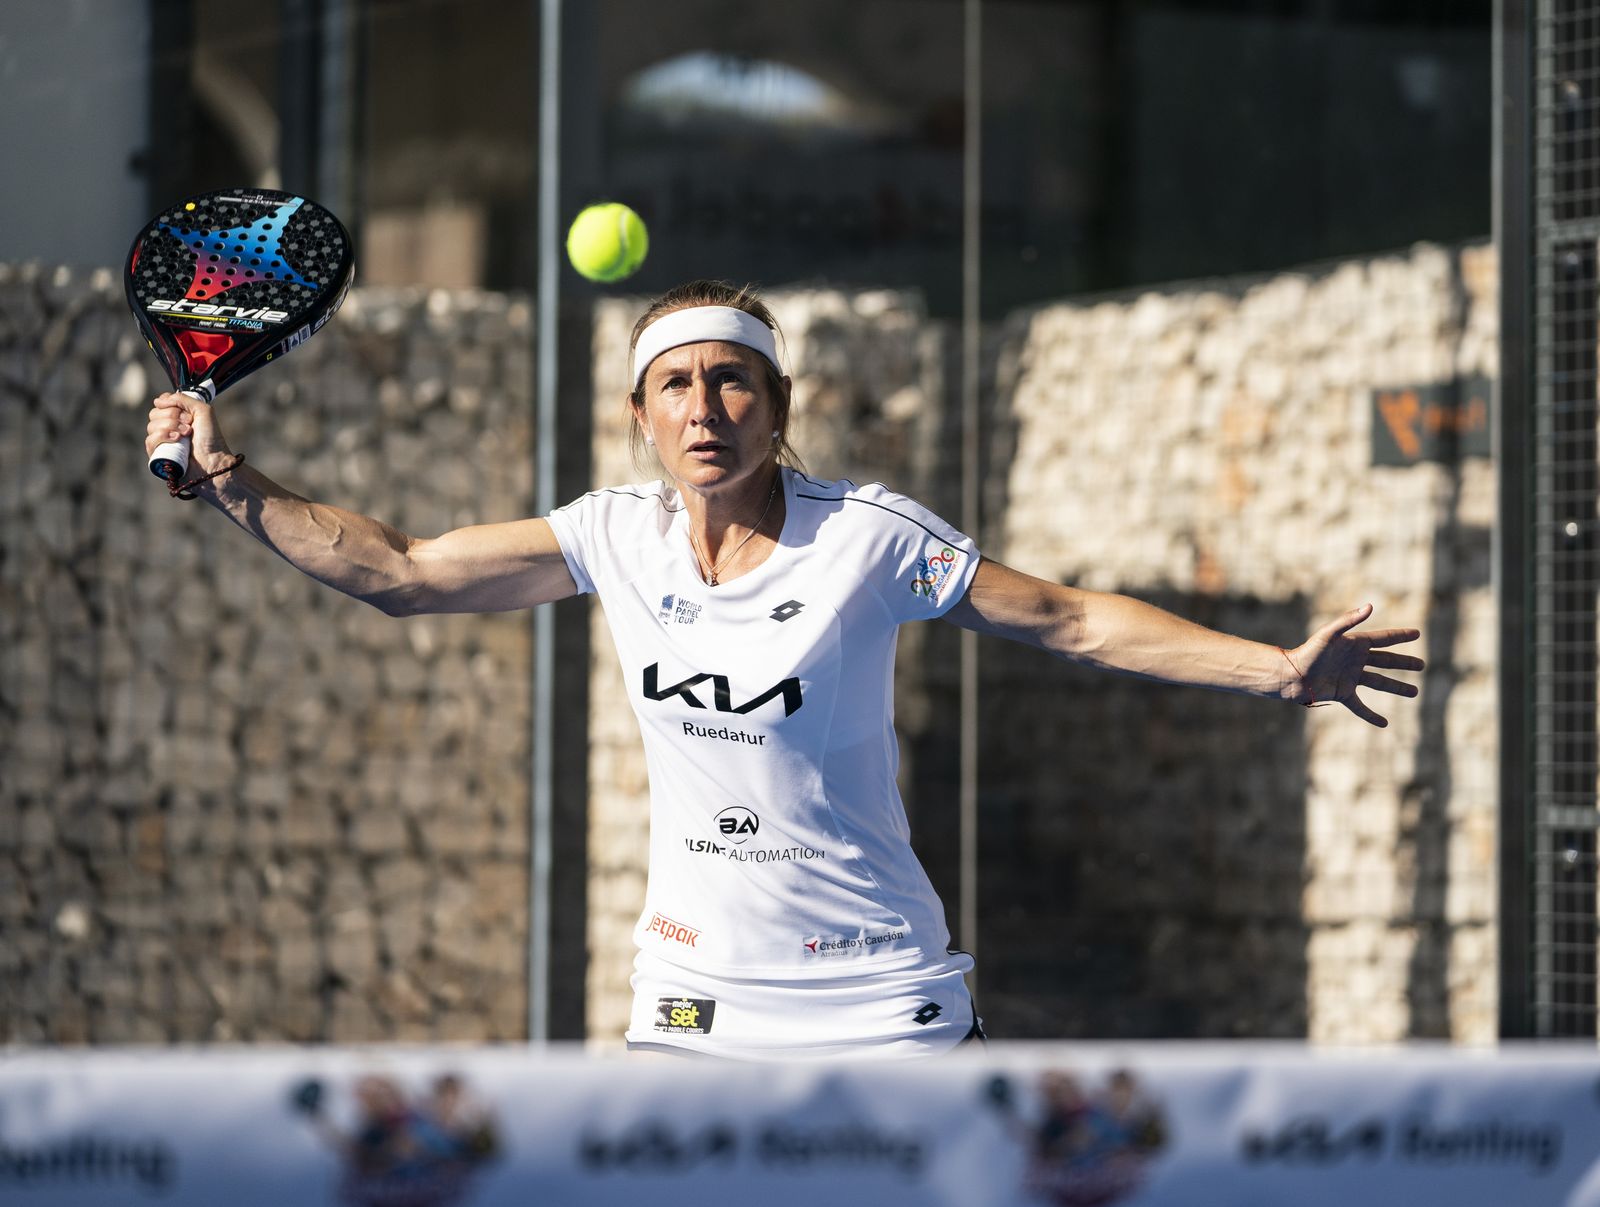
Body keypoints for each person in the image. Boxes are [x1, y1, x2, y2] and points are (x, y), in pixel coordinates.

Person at [144, 279, 1424, 1060]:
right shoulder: (610, 535)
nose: (706, 408)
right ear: (641, 416)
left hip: (884, 999)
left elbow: (1071, 619)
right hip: (693, 1000)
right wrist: (224, 476)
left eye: (732, 382)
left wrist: (1275, 671)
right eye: (677, 386)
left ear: (777, 402)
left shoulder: (868, 535)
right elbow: (403, 571)